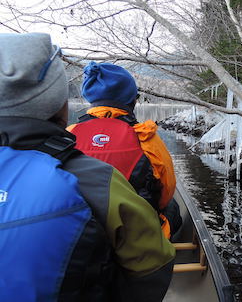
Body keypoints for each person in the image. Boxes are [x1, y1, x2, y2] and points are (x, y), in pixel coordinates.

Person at [0, 32, 175, 302]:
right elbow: (165, 193)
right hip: (122, 247)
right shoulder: (142, 138)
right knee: (170, 210)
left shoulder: (73, 131)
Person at [67, 61, 180, 239]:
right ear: (131, 100)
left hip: (80, 235)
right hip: (135, 237)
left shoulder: (69, 134)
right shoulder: (145, 136)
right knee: (172, 206)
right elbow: (166, 192)